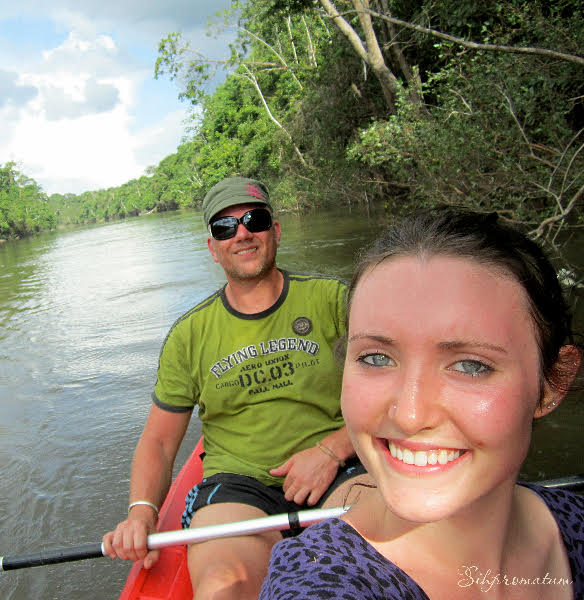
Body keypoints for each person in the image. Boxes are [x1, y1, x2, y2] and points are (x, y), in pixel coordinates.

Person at [261, 209, 584, 599]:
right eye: (376, 358)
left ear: (553, 382)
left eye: (470, 365)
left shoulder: (575, 523)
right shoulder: (319, 584)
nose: (411, 416)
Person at [102, 177, 362, 599]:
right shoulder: (189, 334)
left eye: (253, 220)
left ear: (275, 230)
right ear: (213, 247)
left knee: (368, 562)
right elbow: (160, 441)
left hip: (337, 468)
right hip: (238, 483)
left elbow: (398, 388)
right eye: (225, 228)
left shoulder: (335, 301)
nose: (241, 233)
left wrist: (334, 449)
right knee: (224, 586)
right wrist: (141, 513)